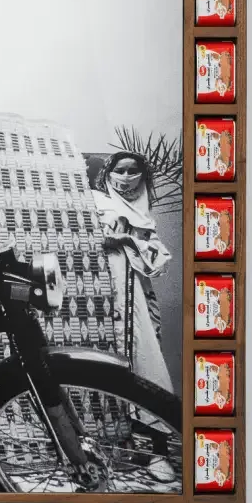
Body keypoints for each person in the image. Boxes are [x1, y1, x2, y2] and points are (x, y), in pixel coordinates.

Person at [92, 151, 173, 393]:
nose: (126, 177)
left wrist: (129, 240)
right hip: (98, 278)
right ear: (108, 173)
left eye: (132, 171)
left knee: (137, 340)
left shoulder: (144, 214)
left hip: (133, 284)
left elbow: (158, 258)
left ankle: (141, 411)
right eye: (120, 170)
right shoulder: (95, 199)